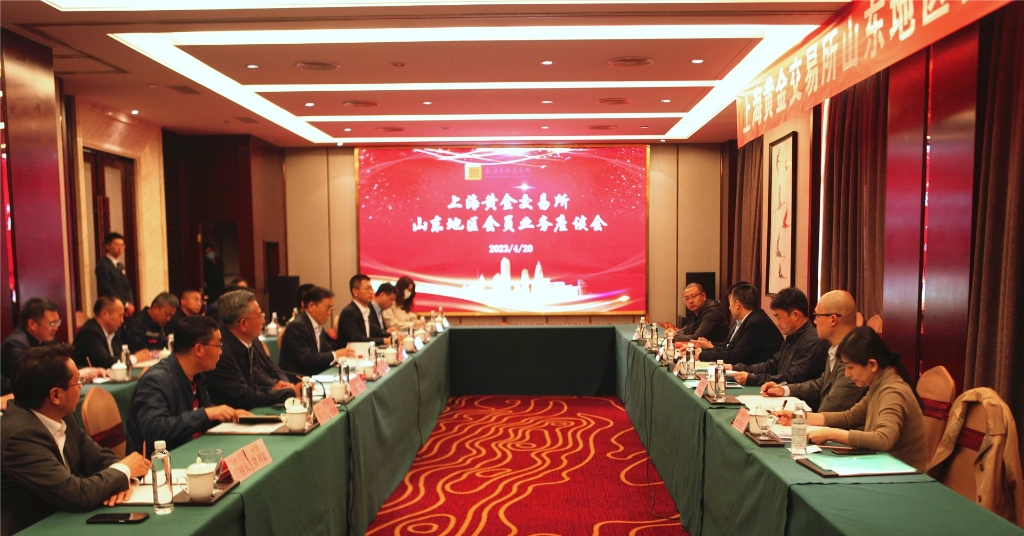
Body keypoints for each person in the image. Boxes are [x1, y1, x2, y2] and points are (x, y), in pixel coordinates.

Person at [1, 345, 151, 534]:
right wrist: (124, 471)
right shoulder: (20, 437)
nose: (82, 387)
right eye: (78, 381)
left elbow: (101, 460)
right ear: (55, 396)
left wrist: (123, 480)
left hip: (63, 519)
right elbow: (78, 495)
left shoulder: (63, 417)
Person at [776, 327, 927, 471]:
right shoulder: (878, 385)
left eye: (850, 367)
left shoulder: (892, 391)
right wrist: (800, 417)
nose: (847, 374)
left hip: (901, 474)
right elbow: (850, 417)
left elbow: (884, 439)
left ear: (872, 365)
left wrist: (831, 434)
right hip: (882, 466)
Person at [126, 316, 252, 455]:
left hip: (190, 451)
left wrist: (227, 415)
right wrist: (206, 414)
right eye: (218, 345)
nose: (221, 351)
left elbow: (202, 418)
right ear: (199, 349)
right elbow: (154, 429)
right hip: (161, 463)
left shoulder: (196, 376)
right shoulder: (155, 380)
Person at [761, 290, 868, 412]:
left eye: (817, 316)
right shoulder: (835, 348)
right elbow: (821, 383)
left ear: (833, 320)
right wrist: (784, 389)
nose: (815, 321)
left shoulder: (855, 356)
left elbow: (833, 407)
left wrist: (800, 418)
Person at [205, 289, 299, 409]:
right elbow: (243, 398)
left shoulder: (247, 341)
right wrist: (290, 393)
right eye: (259, 316)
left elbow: (254, 380)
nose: (263, 321)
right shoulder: (220, 352)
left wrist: (273, 388)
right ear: (243, 324)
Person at [726, 287, 829, 387]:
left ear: (795, 315)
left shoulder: (813, 342)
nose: (777, 323)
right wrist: (734, 368)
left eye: (779, 317)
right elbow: (771, 366)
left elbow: (793, 378)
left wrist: (752, 379)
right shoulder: (792, 337)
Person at [696, 283, 782, 366]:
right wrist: (706, 348)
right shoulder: (745, 320)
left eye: (730, 303)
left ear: (737, 304)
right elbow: (728, 348)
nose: (729, 307)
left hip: (760, 372)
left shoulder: (756, 323)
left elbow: (735, 357)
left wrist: (701, 354)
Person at [279, 286, 352, 377]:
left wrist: (340, 356)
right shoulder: (297, 327)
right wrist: (335, 355)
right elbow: (307, 359)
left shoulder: (317, 326)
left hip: (315, 375)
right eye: (327, 308)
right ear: (311, 306)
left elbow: (326, 351)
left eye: (331, 309)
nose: (329, 313)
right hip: (298, 379)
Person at [1, 297, 61, 378]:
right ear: (32, 324)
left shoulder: (50, 339)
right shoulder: (14, 344)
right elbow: (34, 376)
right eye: (52, 324)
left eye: (57, 322)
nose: (56, 328)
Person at [336, 275, 391, 348]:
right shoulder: (349, 312)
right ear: (355, 292)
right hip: (352, 353)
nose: (371, 292)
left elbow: (375, 332)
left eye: (371, 289)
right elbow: (357, 339)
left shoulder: (367, 310)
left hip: (366, 351)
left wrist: (392, 335)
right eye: (367, 289)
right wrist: (384, 340)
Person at [72, 296, 126, 369]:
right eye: (120, 316)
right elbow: (104, 362)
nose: (122, 321)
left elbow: (120, 354)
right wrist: (132, 358)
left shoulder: (113, 332)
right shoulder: (90, 333)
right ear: (104, 314)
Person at [94, 232, 135, 316]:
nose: (120, 248)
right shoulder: (103, 265)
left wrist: (130, 303)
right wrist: (125, 304)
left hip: (125, 308)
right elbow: (108, 289)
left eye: (122, 245)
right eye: (116, 245)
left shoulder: (120, 266)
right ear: (107, 246)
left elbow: (127, 287)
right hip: (111, 307)